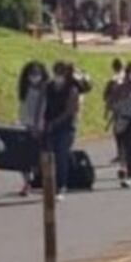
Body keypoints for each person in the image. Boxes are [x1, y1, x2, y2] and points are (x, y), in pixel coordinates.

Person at [43, 61, 81, 201]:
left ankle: (61, 186)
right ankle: (49, 184)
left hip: (66, 127)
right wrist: (40, 122)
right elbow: (42, 104)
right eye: (56, 71)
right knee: (47, 155)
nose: (58, 75)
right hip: (49, 125)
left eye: (61, 72)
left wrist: (55, 123)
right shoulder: (49, 87)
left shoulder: (72, 89)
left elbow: (70, 110)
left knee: (61, 155)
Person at [17, 61, 48, 196]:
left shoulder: (45, 90)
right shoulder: (25, 89)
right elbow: (23, 108)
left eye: (37, 73)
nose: (34, 76)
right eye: (31, 73)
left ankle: (43, 182)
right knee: (23, 157)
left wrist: (39, 126)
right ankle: (26, 183)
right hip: (25, 125)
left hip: (40, 126)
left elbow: (44, 109)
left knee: (41, 156)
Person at [103, 58, 125, 166]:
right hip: (125, 107)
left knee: (118, 132)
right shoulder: (126, 77)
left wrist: (106, 110)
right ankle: (123, 153)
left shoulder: (113, 79)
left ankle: (121, 153)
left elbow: (107, 96)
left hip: (117, 108)